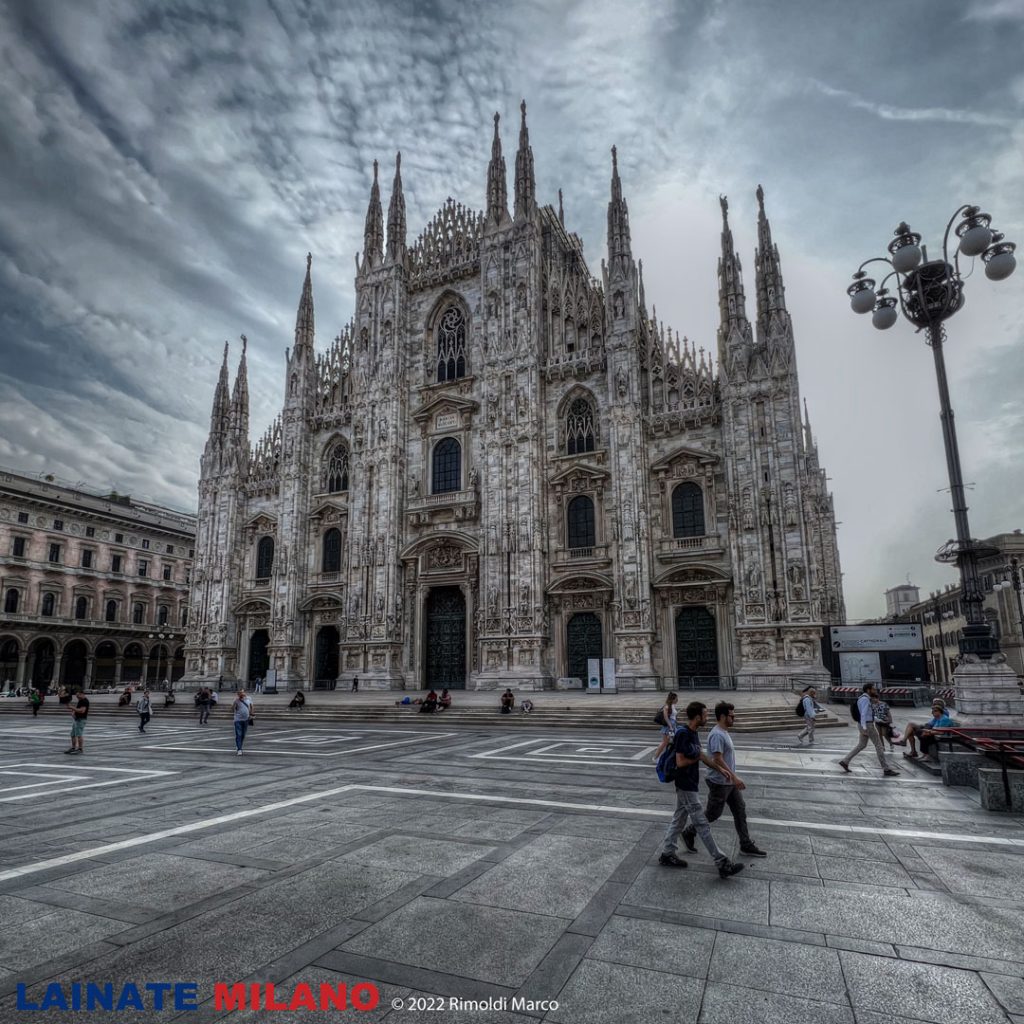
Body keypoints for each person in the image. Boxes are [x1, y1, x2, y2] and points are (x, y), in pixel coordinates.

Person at [660, 701, 744, 878]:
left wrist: (719, 768)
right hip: (685, 784)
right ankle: (722, 862)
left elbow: (701, 755)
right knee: (701, 823)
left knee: (679, 819)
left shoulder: (693, 732)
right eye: (705, 715)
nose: (707, 718)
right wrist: (696, 759)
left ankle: (667, 853)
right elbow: (681, 762)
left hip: (690, 783)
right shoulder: (683, 734)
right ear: (697, 716)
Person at [682, 701, 767, 858]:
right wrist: (734, 777)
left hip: (728, 782)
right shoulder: (717, 734)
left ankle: (745, 844)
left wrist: (732, 778)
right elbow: (717, 759)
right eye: (731, 716)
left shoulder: (724, 731)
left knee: (740, 810)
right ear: (722, 716)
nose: (734, 718)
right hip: (719, 782)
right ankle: (689, 831)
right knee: (713, 814)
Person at [839, 683, 899, 777]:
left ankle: (845, 761)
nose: (875, 691)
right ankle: (886, 769)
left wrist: (880, 721)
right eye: (873, 689)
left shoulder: (865, 699)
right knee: (879, 745)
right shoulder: (865, 699)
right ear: (868, 690)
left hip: (865, 724)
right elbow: (863, 714)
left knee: (862, 745)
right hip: (867, 725)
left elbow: (868, 714)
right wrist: (865, 726)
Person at [652, 692, 679, 763]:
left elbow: (673, 716)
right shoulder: (667, 706)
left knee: (673, 742)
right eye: (676, 698)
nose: (677, 700)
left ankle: (673, 757)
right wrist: (670, 727)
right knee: (665, 742)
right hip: (669, 727)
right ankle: (655, 758)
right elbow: (666, 717)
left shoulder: (672, 706)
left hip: (673, 725)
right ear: (673, 699)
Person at [65, 690, 89, 755]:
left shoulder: (85, 701)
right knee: (73, 734)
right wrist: (73, 712)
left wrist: (72, 707)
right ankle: (73, 748)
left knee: (79, 735)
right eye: (76, 696)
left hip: (81, 720)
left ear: (82, 694)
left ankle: (80, 749)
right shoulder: (80, 700)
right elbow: (77, 708)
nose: (77, 697)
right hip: (77, 719)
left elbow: (82, 711)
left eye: (78, 695)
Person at [232, 688, 253, 755]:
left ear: (244, 693)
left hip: (246, 719)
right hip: (237, 719)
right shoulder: (236, 700)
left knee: (243, 735)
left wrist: (251, 714)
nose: (241, 693)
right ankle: (239, 749)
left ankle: (239, 745)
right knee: (239, 734)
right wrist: (235, 703)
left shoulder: (249, 698)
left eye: (242, 692)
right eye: (239, 693)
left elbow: (251, 706)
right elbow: (232, 709)